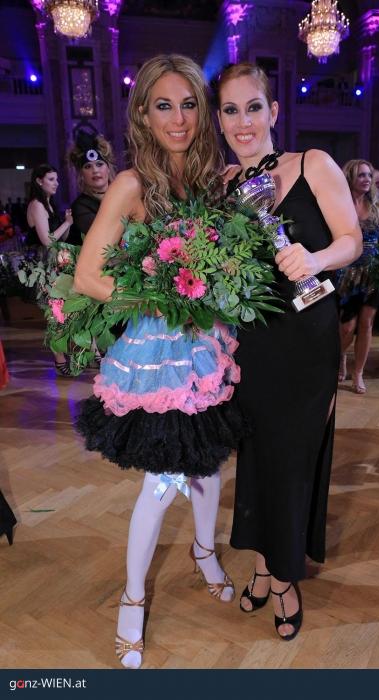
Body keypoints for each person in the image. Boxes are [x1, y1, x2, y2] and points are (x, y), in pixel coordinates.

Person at [73, 54, 246, 669]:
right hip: (157, 355)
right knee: (162, 480)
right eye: (164, 105)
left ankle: (203, 551)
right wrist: (158, 297)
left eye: (189, 104)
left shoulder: (212, 183)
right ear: (143, 114)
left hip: (209, 345)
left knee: (209, 462)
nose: (178, 119)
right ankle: (132, 596)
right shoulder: (130, 185)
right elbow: (88, 277)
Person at [217, 62, 362, 641]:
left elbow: (352, 240)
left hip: (306, 339)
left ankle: (283, 578)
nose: (243, 121)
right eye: (231, 110)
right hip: (251, 343)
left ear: (273, 111)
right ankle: (261, 562)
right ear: (220, 120)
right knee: (256, 455)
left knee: (294, 457)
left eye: (253, 107)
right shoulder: (223, 186)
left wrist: (315, 258)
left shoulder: (312, 164)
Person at [336, 159, 379, 394]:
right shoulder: (340, 204)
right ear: (349, 178)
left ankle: (358, 372)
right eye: (361, 175)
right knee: (347, 327)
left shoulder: (377, 205)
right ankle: (339, 356)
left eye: (369, 175)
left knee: (367, 323)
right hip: (347, 273)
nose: (367, 179)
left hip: (373, 272)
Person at [26, 164, 73, 375]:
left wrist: (67, 223)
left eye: (56, 179)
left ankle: (66, 355)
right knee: (55, 313)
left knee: (63, 312)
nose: (56, 183)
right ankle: (59, 360)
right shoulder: (37, 205)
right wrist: (66, 223)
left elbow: (60, 238)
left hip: (56, 264)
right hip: (45, 266)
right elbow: (47, 241)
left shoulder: (48, 204)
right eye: (51, 179)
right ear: (39, 181)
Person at [67, 131, 116, 244]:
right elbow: (104, 238)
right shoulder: (79, 206)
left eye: (99, 164)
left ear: (108, 168)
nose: (95, 170)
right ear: (81, 175)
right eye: (88, 166)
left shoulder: (120, 196)